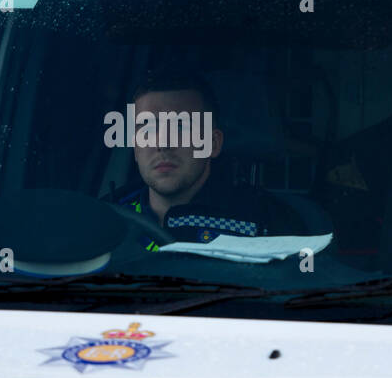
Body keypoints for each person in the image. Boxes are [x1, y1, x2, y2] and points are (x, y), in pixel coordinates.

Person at [114, 69, 307, 247]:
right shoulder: (107, 218)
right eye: (148, 128)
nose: (163, 144)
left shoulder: (267, 223)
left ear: (213, 144)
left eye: (181, 127)